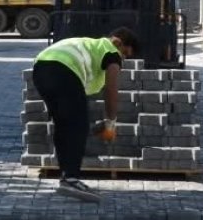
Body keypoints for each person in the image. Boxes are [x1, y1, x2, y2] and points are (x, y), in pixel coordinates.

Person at [31, 27, 140, 204]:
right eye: (125, 54)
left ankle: (67, 177)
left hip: (41, 68)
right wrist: (111, 122)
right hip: (63, 69)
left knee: (65, 123)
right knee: (78, 125)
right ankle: (70, 179)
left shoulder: (92, 46)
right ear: (118, 43)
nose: (123, 59)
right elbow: (111, 90)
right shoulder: (111, 51)